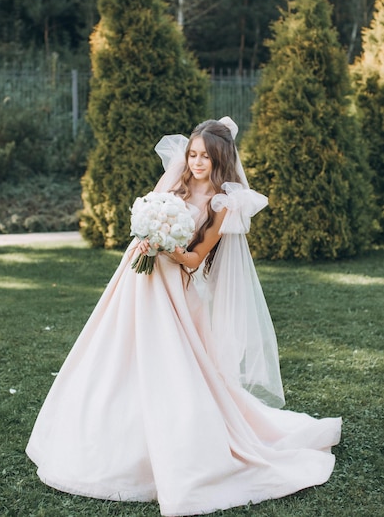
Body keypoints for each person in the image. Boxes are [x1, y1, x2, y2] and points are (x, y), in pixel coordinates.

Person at [26, 117, 341, 516]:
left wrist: (170, 247)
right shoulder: (173, 185)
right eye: (192, 155)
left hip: (174, 284)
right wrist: (148, 233)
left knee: (169, 359)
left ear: (219, 160)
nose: (195, 163)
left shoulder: (221, 203)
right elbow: (146, 217)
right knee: (117, 346)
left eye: (204, 157)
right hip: (136, 275)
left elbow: (195, 257)